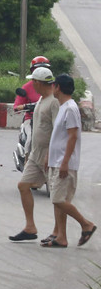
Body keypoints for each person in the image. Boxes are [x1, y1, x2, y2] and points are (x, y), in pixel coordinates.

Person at [42, 74, 96, 248]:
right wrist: (49, 156)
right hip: (56, 161)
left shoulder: (71, 108)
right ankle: (61, 236)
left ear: (58, 87)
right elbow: (58, 136)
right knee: (58, 201)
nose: (52, 88)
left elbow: (73, 136)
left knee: (58, 200)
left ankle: (86, 224)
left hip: (64, 163)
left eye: (54, 85)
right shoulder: (63, 107)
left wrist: (65, 162)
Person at [9, 67, 59, 242]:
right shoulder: (41, 100)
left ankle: (81, 225)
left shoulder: (54, 102)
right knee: (23, 185)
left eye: (33, 82)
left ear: (38, 83)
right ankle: (30, 227)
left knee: (58, 197)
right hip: (35, 153)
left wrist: (50, 154)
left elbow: (57, 130)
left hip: (47, 154)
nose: (32, 85)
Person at [14, 56, 51, 120]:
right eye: (37, 69)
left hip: (49, 118)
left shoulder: (55, 86)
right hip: (31, 118)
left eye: (44, 69)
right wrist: (27, 107)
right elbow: (16, 107)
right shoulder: (26, 87)